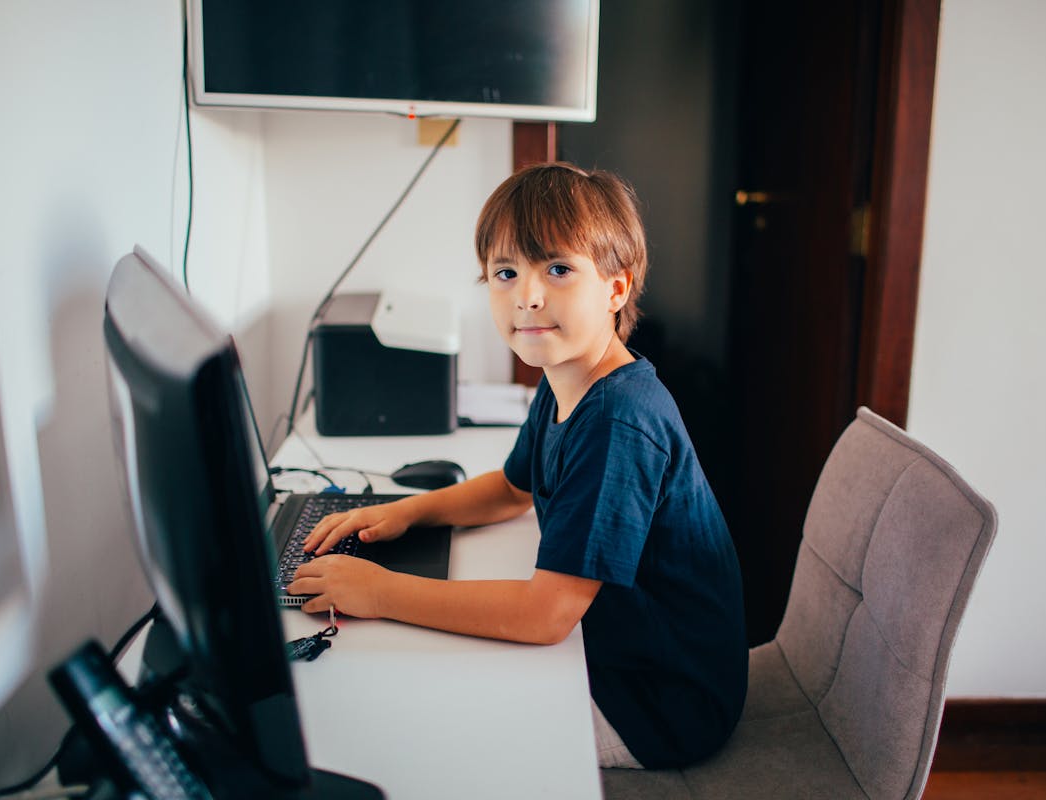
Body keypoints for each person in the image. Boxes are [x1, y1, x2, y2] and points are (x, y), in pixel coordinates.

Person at [290, 162, 746, 769]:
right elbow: (511, 490)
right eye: (505, 273)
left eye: (558, 269)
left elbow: (546, 614)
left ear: (616, 288)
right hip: (614, 652)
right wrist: (404, 512)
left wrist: (380, 591)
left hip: (660, 702)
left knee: (426, 730)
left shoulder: (618, 422)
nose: (527, 296)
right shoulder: (566, 375)